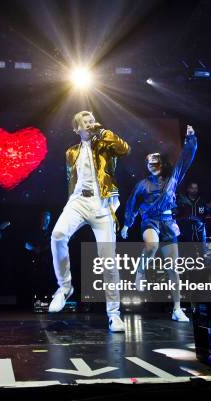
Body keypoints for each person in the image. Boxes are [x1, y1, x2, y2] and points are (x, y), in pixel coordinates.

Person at [48, 111, 131, 332]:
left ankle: (114, 314)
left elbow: (125, 149)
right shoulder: (71, 152)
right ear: (77, 129)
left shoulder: (105, 144)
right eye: (86, 122)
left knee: (108, 260)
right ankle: (65, 287)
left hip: (101, 203)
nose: (90, 124)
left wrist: (103, 131)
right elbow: (70, 179)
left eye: (92, 120)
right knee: (57, 235)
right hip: (77, 201)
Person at [121, 125, 197, 322]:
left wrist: (190, 140)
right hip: (150, 221)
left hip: (168, 222)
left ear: (161, 164)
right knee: (151, 245)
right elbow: (132, 203)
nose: (151, 165)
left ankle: (177, 309)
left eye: (155, 162)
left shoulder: (173, 178)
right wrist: (127, 224)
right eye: (148, 163)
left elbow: (185, 161)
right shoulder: (142, 184)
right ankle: (141, 270)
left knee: (173, 269)